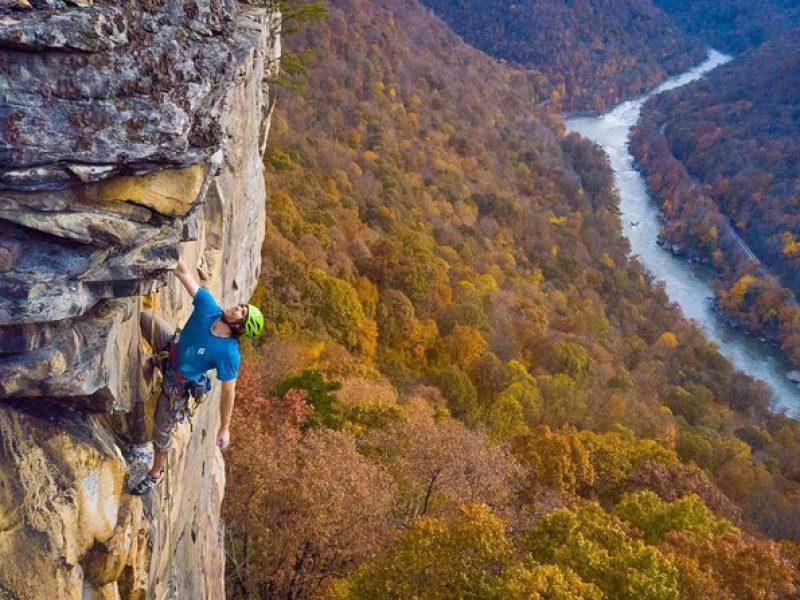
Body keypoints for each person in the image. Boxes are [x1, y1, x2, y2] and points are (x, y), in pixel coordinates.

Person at [130, 257, 264, 495]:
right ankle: (154, 362)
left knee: (161, 431)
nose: (235, 308)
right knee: (145, 319)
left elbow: (228, 391)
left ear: (239, 328)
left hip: (177, 383)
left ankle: (156, 473)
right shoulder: (209, 307)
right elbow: (184, 274)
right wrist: (170, 251)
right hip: (172, 348)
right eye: (240, 306)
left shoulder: (229, 354)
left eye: (240, 313)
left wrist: (225, 428)